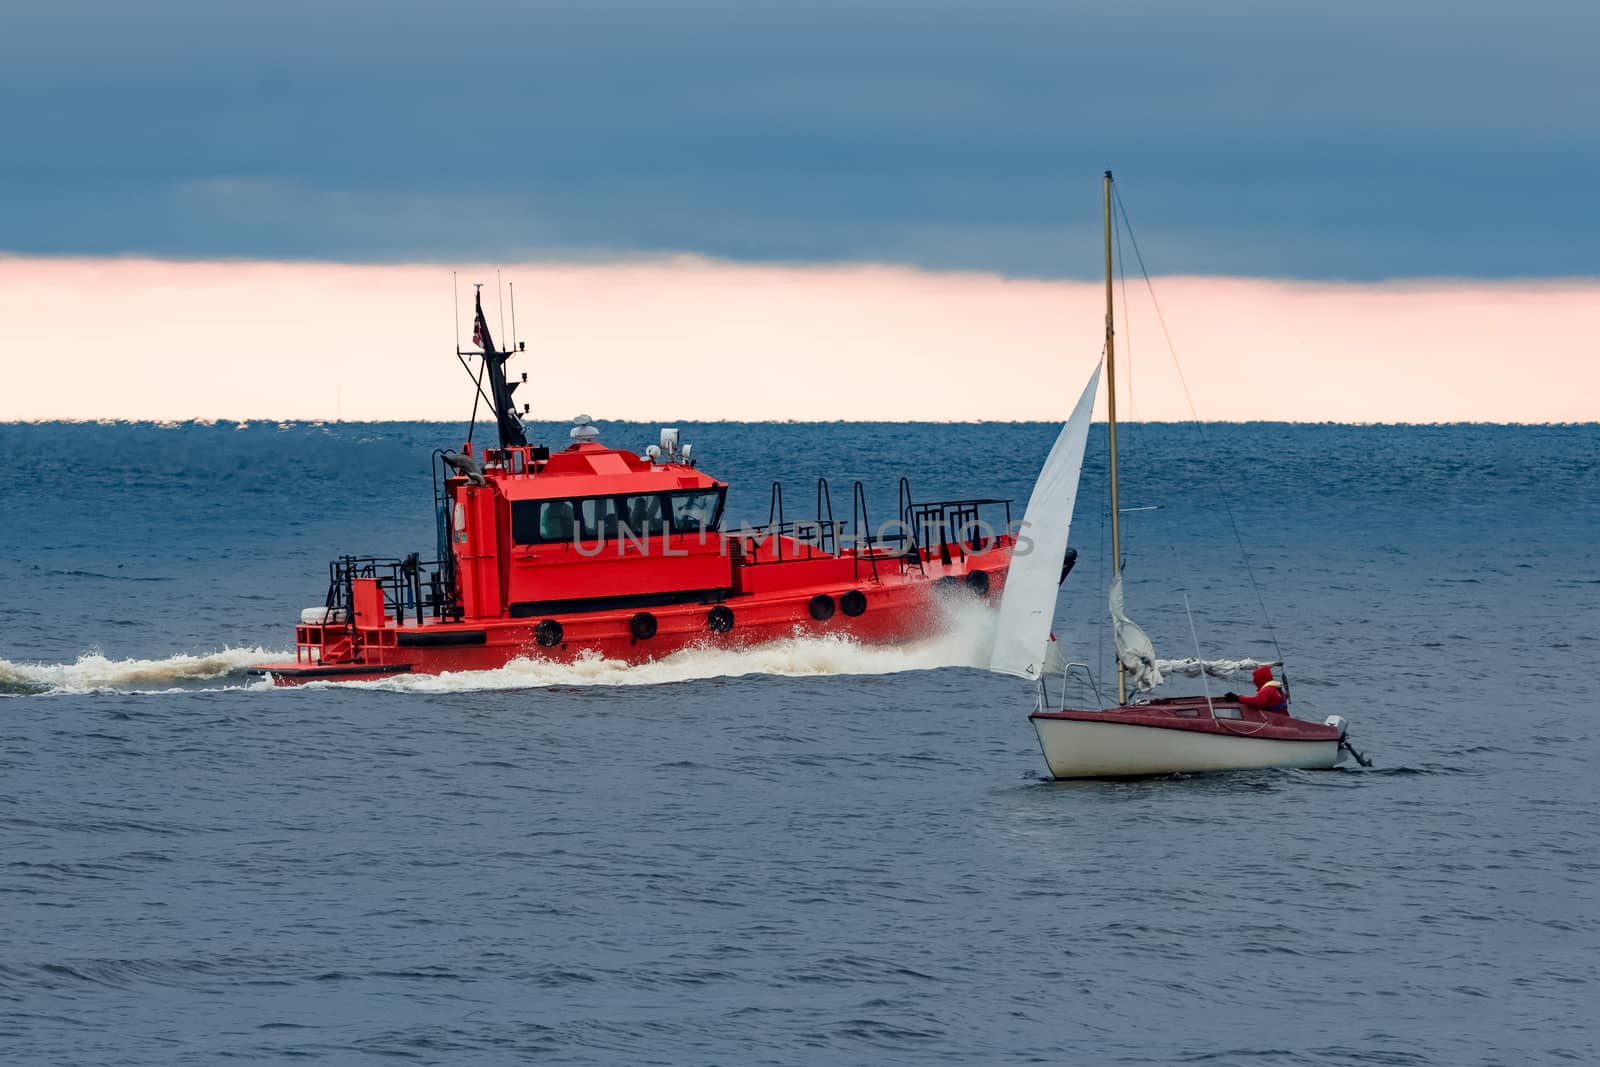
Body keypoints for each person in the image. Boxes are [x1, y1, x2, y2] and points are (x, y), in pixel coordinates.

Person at [1223, 665, 1289, 713]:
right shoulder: (1276, 688)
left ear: (1259, 680)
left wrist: (1238, 698)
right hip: (1284, 718)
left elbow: (1258, 702)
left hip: (1275, 720)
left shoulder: (1266, 690)